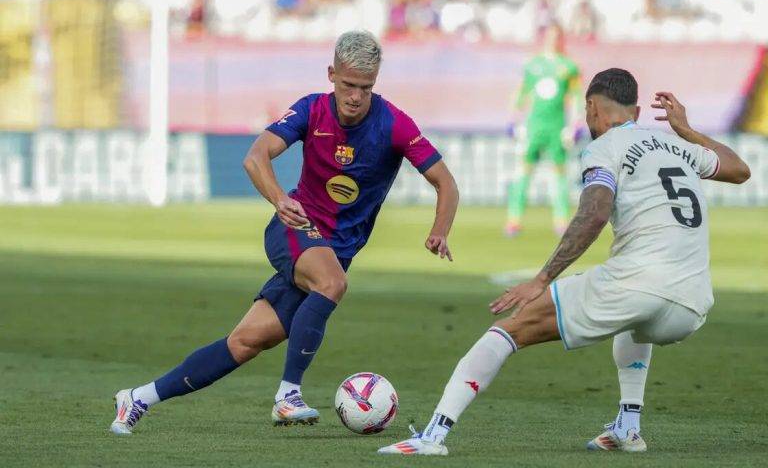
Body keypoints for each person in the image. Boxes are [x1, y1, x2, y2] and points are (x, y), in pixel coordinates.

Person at [379, 68, 750, 455]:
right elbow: (740, 170)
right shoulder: (676, 144)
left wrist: (541, 279)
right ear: (637, 112)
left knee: (510, 329)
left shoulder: (604, 146)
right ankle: (628, 427)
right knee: (633, 318)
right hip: (692, 303)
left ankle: (433, 436)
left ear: (591, 108)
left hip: (640, 285)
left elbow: (594, 212)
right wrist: (687, 130)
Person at [110, 30, 459, 434]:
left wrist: (440, 230)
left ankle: (138, 397)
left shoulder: (394, 124)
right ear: (331, 74)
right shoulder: (311, 110)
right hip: (294, 227)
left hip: (334, 251)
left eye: (365, 88)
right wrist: (279, 199)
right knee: (332, 283)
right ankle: (288, 395)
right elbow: (255, 156)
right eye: (348, 85)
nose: (355, 97)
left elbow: (446, 183)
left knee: (244, 342)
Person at [506, 23, 581, 236]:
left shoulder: (569, 67)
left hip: (556, 126)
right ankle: (514, 219)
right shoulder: (532, 64)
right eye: (549, 36)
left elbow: (576, 96)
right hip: (534, 126)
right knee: (524, 171)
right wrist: (513, 119)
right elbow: (522, 91)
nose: (553, 40)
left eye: (556, 36)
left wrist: (575, 124)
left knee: (559, 172)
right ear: (544, 38)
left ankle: (561, 221)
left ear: (561, 39)